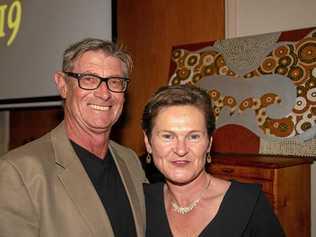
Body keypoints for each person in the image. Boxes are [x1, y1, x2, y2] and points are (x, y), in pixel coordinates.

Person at [0, 38, 147, 237]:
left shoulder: (130, 161)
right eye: (88, 79)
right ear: (63, 85)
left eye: (114, 82)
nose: (104, 94)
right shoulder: (19, 172)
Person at [141, 84, 285, 237]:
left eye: (193, 136)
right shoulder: (139, 203)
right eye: (168, 136)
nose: (181, 150)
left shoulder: (248, 204)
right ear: (148, 142)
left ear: (209, 143)